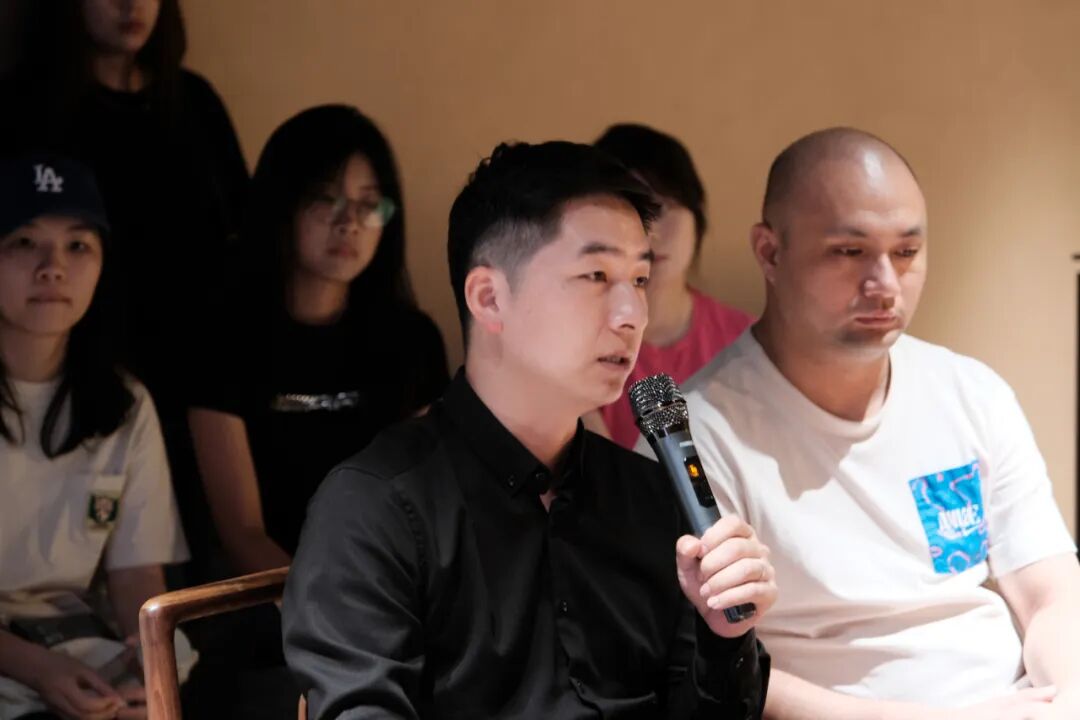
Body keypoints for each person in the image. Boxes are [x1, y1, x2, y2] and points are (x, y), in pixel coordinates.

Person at [283, 140, 776, 718]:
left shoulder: (651, 495)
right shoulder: (374, 505)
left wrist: (724, 639)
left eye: (640, 279)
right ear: (489, 298)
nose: (631, 315)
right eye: (597, 275)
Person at [655, 127, 1080, 718]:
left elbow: (1053, 594)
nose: (884, 284)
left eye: (906, 253)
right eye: (849, 252)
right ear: (770, 253)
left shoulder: (971, 393)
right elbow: (726, 674)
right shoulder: (698, 439)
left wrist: (1067, 698)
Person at [1, 0, 250, 556]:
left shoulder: (193, 104)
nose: (131, 4)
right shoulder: (28, 107)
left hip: (194, 381)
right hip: (62, 368)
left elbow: (241, 242)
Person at [188, 103, 449, 575]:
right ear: (281, 204)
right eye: (326, 198)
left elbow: (426, 502)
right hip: (267, 594)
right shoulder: (224, 337)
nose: (349, 222)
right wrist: (321, 608)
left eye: (369, 205)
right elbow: (242, 533)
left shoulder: (412, 341)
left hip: (390, 586)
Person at [0, 154, 190, 720]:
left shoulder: (123, 403)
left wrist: (146, 663)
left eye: (78, 245)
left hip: (74, 641)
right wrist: (38, 669)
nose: (52, 267)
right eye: (24, 243)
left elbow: (136, 574)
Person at [587, 123, 752, 449]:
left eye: (661, 208)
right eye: (631, 210)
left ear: (697, 216)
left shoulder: (747, 342)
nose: (651, 232)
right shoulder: (574, 346)